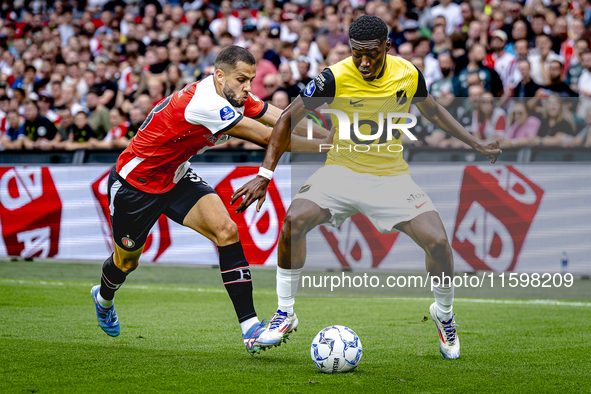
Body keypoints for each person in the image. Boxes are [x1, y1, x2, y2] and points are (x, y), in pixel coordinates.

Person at [231, 16, 501, 360]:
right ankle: (286, 313)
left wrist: (474, 142)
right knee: (293, 221)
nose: (363, 62)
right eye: (357, 53)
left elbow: (432, 111)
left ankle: (444, 315)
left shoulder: (408, 73)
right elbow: (286, 119)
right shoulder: (334, 76)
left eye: (371, 54)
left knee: (438, 243)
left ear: (387, 47)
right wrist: (265, 175)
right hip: (341, 172)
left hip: (391, 177)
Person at [89, 46, 330, 354]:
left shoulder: (235, 94)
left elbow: (281, 119)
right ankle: (104, 298)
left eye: (251, 80)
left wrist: (326, 135)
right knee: (126, 262)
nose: (247, 87)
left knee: (227, 230)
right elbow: (271, 138)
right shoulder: (205, 103)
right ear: (219, 76)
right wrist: (329, 147)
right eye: (241, 79)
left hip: (176, 176)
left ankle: (250, 328)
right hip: (135, 185)